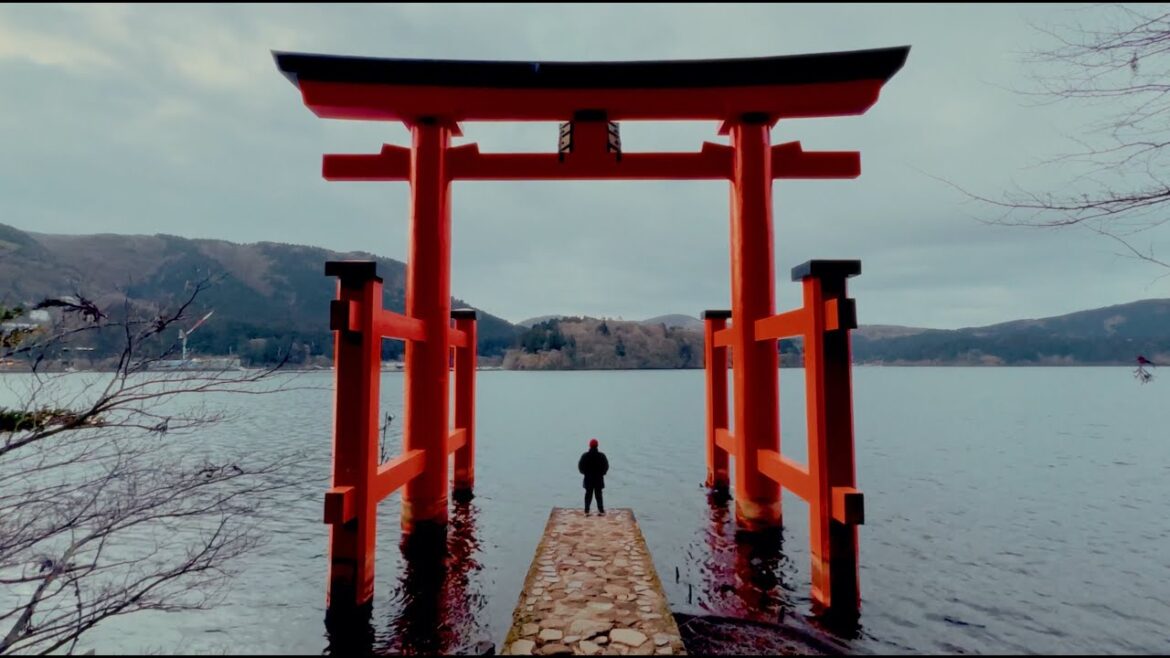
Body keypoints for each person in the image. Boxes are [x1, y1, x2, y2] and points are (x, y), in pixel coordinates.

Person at [578, 438, 609, 515]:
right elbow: (606, 466)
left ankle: (586, 510)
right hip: (598, 479)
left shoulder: (585, 456)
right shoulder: (602, 456)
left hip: (588, 479)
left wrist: (585, 473)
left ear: (590, 445)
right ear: (597, 445)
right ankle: (601, 510)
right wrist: (603, 473)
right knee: (599, 494)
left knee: (588, 494)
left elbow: (580, 467)